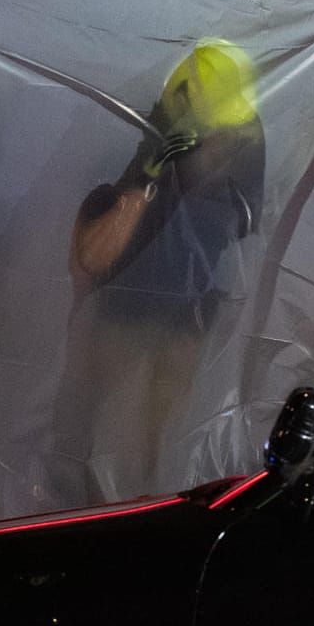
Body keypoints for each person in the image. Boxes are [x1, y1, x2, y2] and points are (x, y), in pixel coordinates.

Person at [51, 40, 267, 500]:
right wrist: (148, 175)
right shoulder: (136, 176)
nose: (228, 142)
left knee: (158, 444)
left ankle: (147, 506)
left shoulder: (236, 177)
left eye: (235, 134)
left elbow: (245, 238)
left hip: (187, 325)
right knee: (96, 440)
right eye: (220, 132)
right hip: (125, 320)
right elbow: (93, 257)